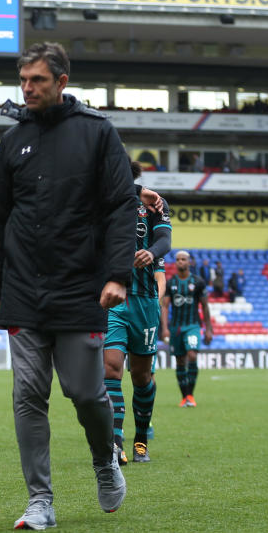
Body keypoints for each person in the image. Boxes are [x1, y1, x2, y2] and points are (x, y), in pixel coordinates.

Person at [0, 42, 134, 529]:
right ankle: (39, 500)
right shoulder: (12, 142)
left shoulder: (98, 133)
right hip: (23, 291)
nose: (27, 89)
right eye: (23, 80)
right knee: (27, 394)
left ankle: (105, 460)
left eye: (37, 81)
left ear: (62, 81)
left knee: (85, 393)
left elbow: (121, 207)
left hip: (79, 288)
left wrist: (117, 274)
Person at [104, 163, 171, 465]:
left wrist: (152, 252)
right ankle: (115, 442)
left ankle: (140, 438)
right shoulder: (103, 200)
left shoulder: (155, 204)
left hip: (144, 301)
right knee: (111, 369)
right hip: (113, 296)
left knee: (141, 376)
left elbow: (165, 241)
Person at [162, 250, 213, 408]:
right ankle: (184, 397)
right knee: (179, 361)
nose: (180, 262)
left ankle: (190, 395)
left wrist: (209, 329)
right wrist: (164, 328)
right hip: (176, 327)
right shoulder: (171, 283)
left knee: (192, 354)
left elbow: (204, 306)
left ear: (189, 262)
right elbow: (165, 306)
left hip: (192, 326)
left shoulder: (198, 282)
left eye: (183, 259)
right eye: (178, 259)